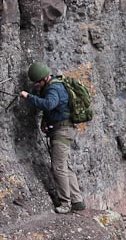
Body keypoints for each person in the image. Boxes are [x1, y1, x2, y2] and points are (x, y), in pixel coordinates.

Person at [19, 61, 85, 214]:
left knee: (58, 167)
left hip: (62, 131)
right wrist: (44, 121)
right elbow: (54, 109)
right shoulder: (52, 85)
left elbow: (49, 104)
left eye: (37, 82)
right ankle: (77, 201)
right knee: (65, 166)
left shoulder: (54, 87)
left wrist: (28, 96)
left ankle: (65, 203)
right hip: (63, 129)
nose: (36, 85)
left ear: (43, 79)